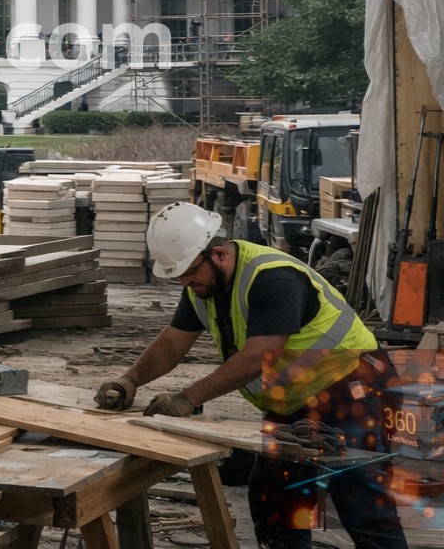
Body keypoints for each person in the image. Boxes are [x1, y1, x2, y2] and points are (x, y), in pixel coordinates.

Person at [94, 203, 404, 549]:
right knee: (276, 500)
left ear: (219, 254)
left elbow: (259, 355)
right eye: (178, 275)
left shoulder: (272, 277)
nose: (185, 282)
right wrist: (131, 380)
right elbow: (171, 344)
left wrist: (188, 398)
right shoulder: (203, 289)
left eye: (189, 272)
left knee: (360, 501)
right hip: (295, 401)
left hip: (353, 388)